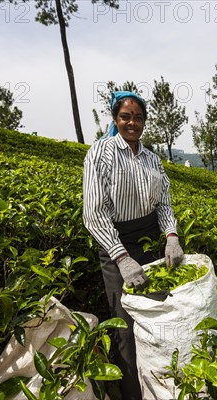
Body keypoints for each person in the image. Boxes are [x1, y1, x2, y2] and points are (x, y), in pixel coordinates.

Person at [82, 91, 184, 399]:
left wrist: (171, 236)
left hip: (148, 241)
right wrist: (122, 258)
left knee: (156, 316)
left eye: (138, 117)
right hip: (116, 246)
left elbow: (163, 204)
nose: (132, 123)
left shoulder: (152, 158)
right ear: (115, 119)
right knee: (125, 326)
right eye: (125, 116)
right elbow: (94, 213)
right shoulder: (100, 153)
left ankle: (160, 387)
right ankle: (131, 392)